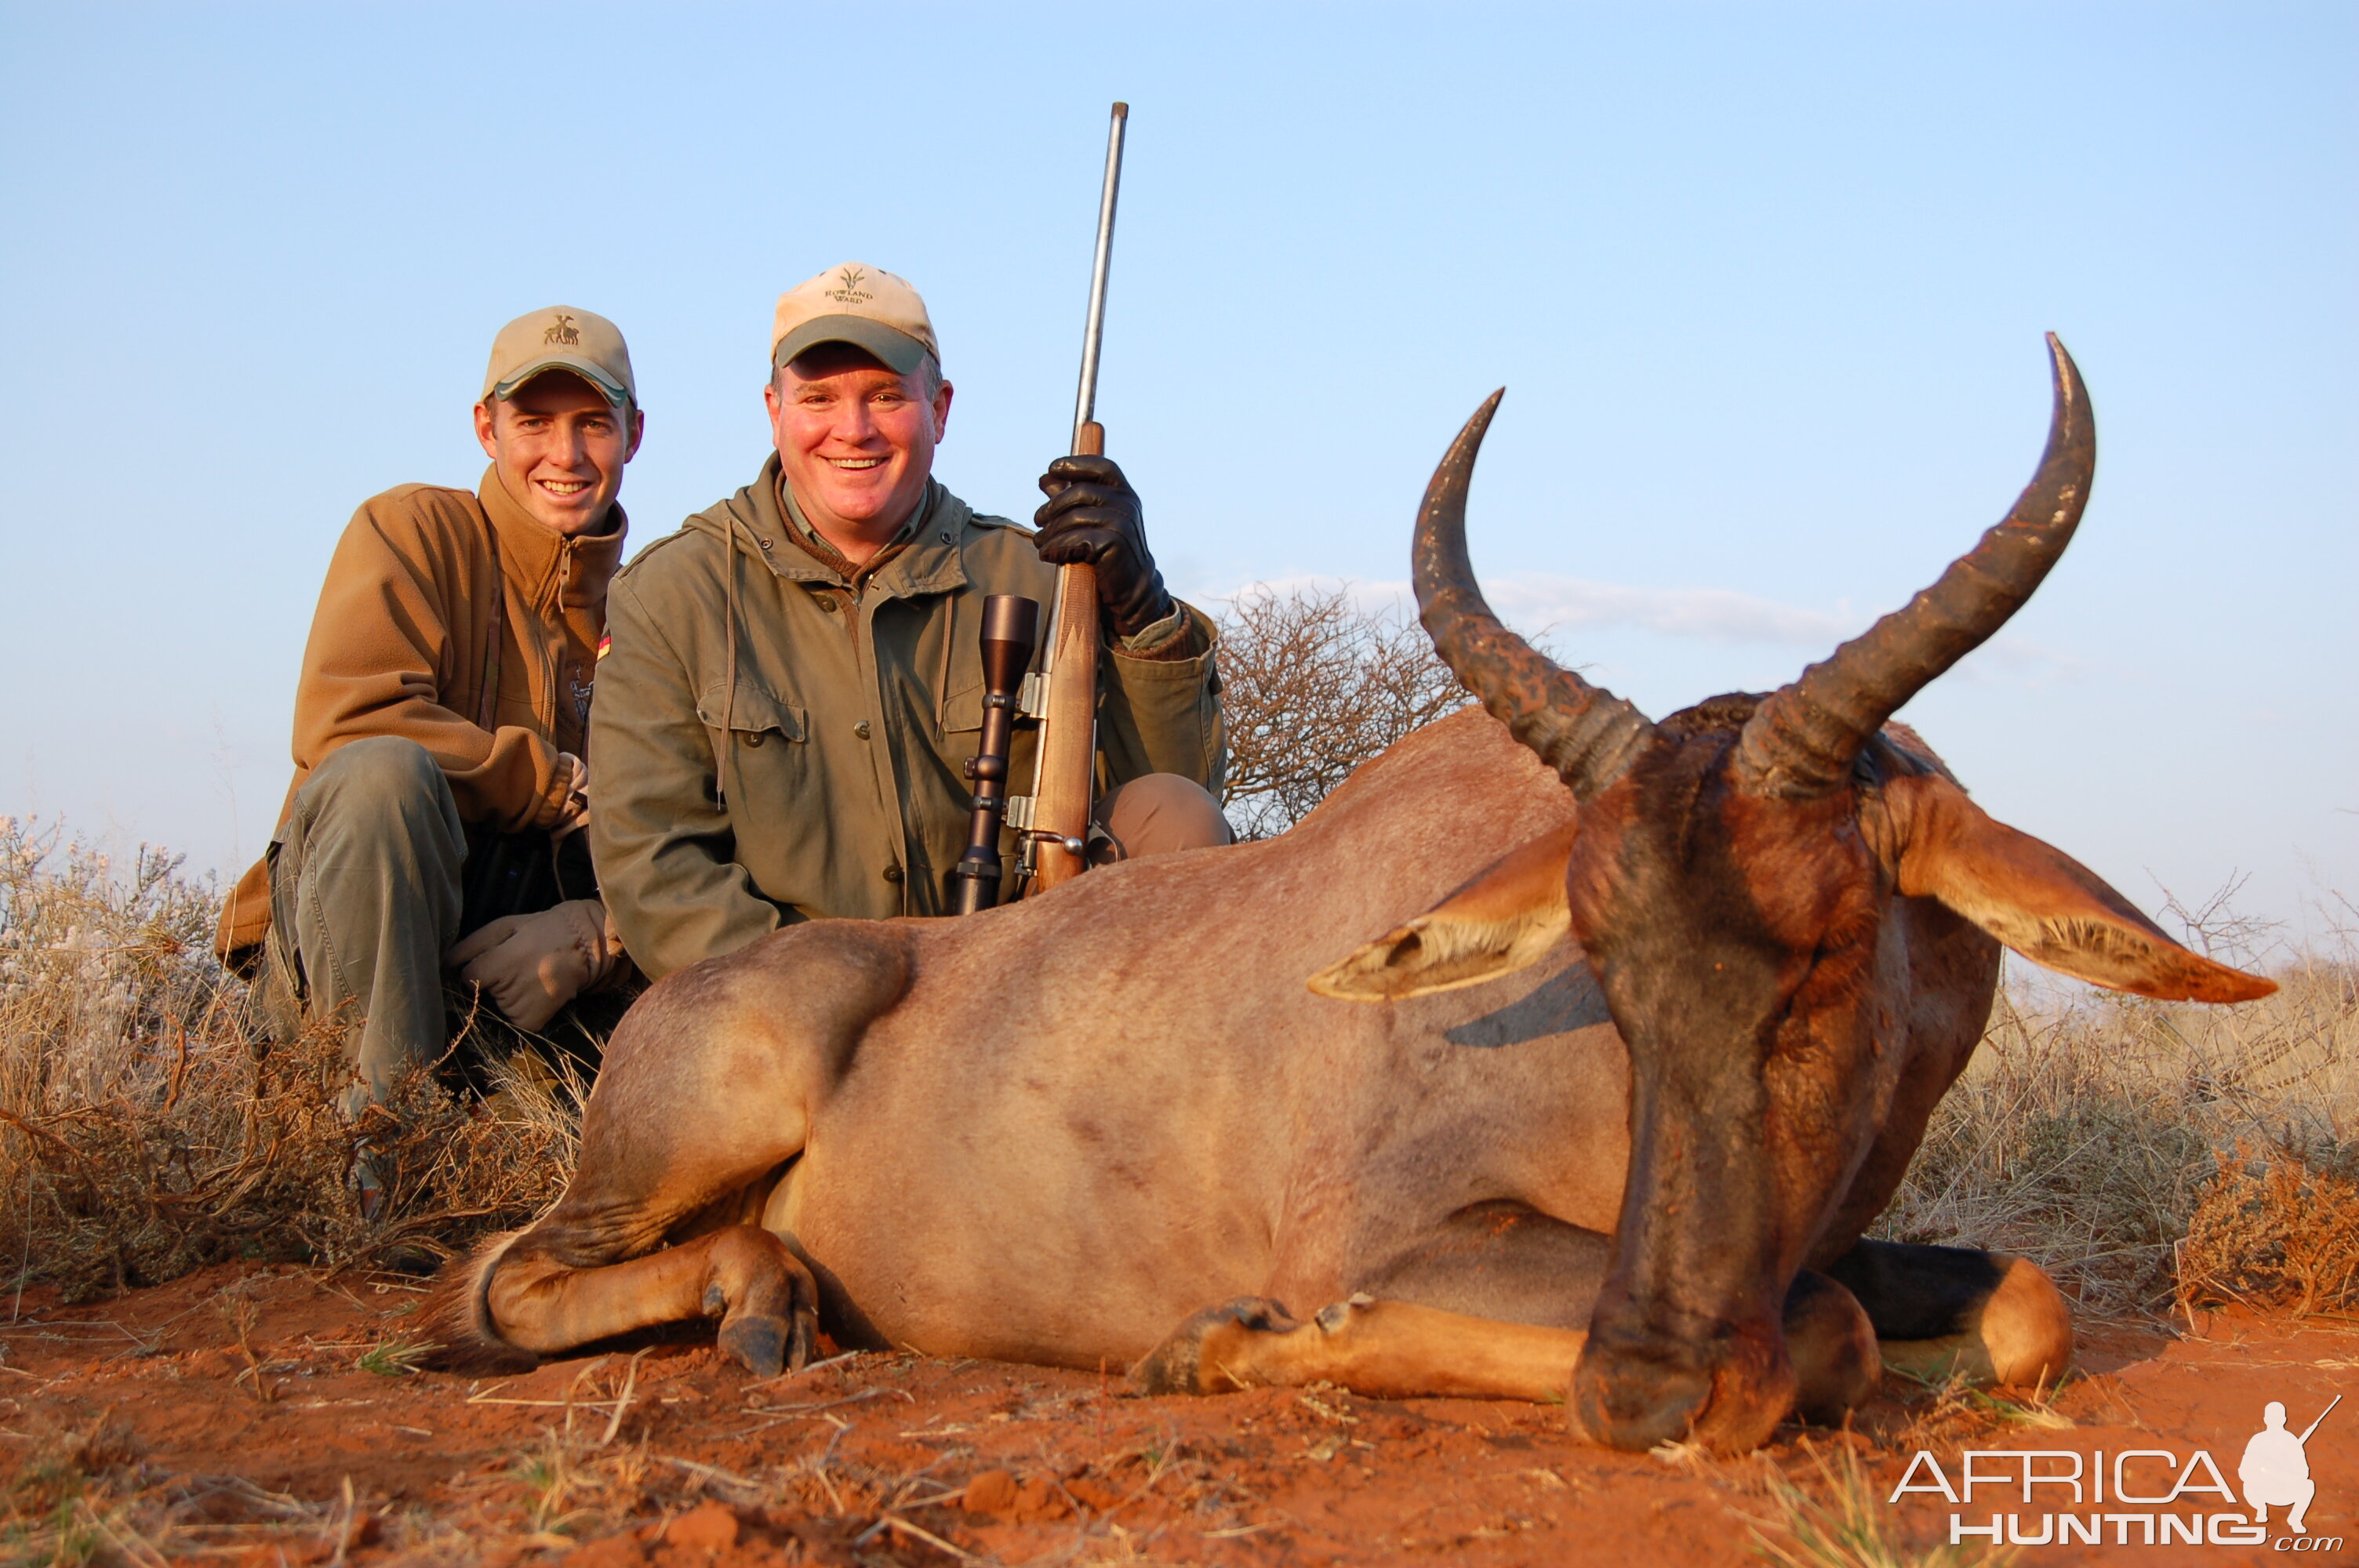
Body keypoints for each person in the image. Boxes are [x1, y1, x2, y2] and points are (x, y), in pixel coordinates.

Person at [590, 263, 1228, 978]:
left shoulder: (1045, 574)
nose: (852, 430)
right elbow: (654, 865)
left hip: (1017, 996)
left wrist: (1145, 613)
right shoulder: (668, 593)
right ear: (775, 410)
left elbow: (1185, 814)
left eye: (887, 396)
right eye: (819, 398)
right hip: (789, 1022)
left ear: (941, 409)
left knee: (1175, 812)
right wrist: (847, 1003)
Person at [215, 306, 645, 1148]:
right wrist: (551, 783)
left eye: (593, 423)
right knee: (382, 777)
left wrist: (603, 934)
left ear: (634, 435)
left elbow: (707, 829)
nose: (564, 455)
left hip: (535, 980)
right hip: (359, 952)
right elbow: (348, 721)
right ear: (486, 427)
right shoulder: (412, 528)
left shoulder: (659, 607)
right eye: (534, 422)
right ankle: (378, 1145)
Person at [2241, 1399, 2321, 1534]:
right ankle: (2268, 1511)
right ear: (2284, 1419)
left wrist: (2283, 1473)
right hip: (2275, 1492)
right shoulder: (2291, 1440)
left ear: (2265, 1419)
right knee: (2309, 1485)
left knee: (2248, 1484)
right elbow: (2304, 1473)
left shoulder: (2258, 1439)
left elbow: (2243, 1471)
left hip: (2274, 1491)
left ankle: (2267, 1511)